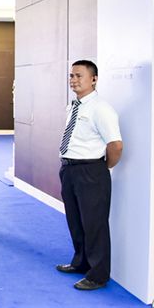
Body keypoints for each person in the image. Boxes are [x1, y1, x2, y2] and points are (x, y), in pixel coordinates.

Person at [56, 59, 123, 291]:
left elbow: (116, 145)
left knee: (94, 224)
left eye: (79, 76)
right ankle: (80, 262)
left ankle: (98, 275)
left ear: (93, 79)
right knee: (75, 221)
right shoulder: (74, 107)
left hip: (91, 171)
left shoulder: (101, 108)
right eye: (71, 76)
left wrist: (101, 168)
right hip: (69, 169)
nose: (73, 80)